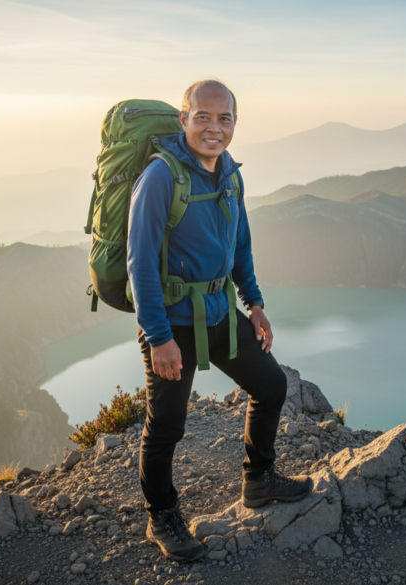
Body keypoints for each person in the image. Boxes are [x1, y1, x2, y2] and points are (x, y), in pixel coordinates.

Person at [126, 79, 312, 562]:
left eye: (224, 118)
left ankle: (259, 481)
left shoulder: (230, 173)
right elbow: (139, 263)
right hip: (170, 322)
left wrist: (254, 303)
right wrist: (158, 336)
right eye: (203, 117)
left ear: (234, 123)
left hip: (219, 314)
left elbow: (240, 245)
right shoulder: (160, 177)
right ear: (184, 119)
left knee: (271, 385)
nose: (214, 128)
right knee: (166, 424)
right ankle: (162, 516)